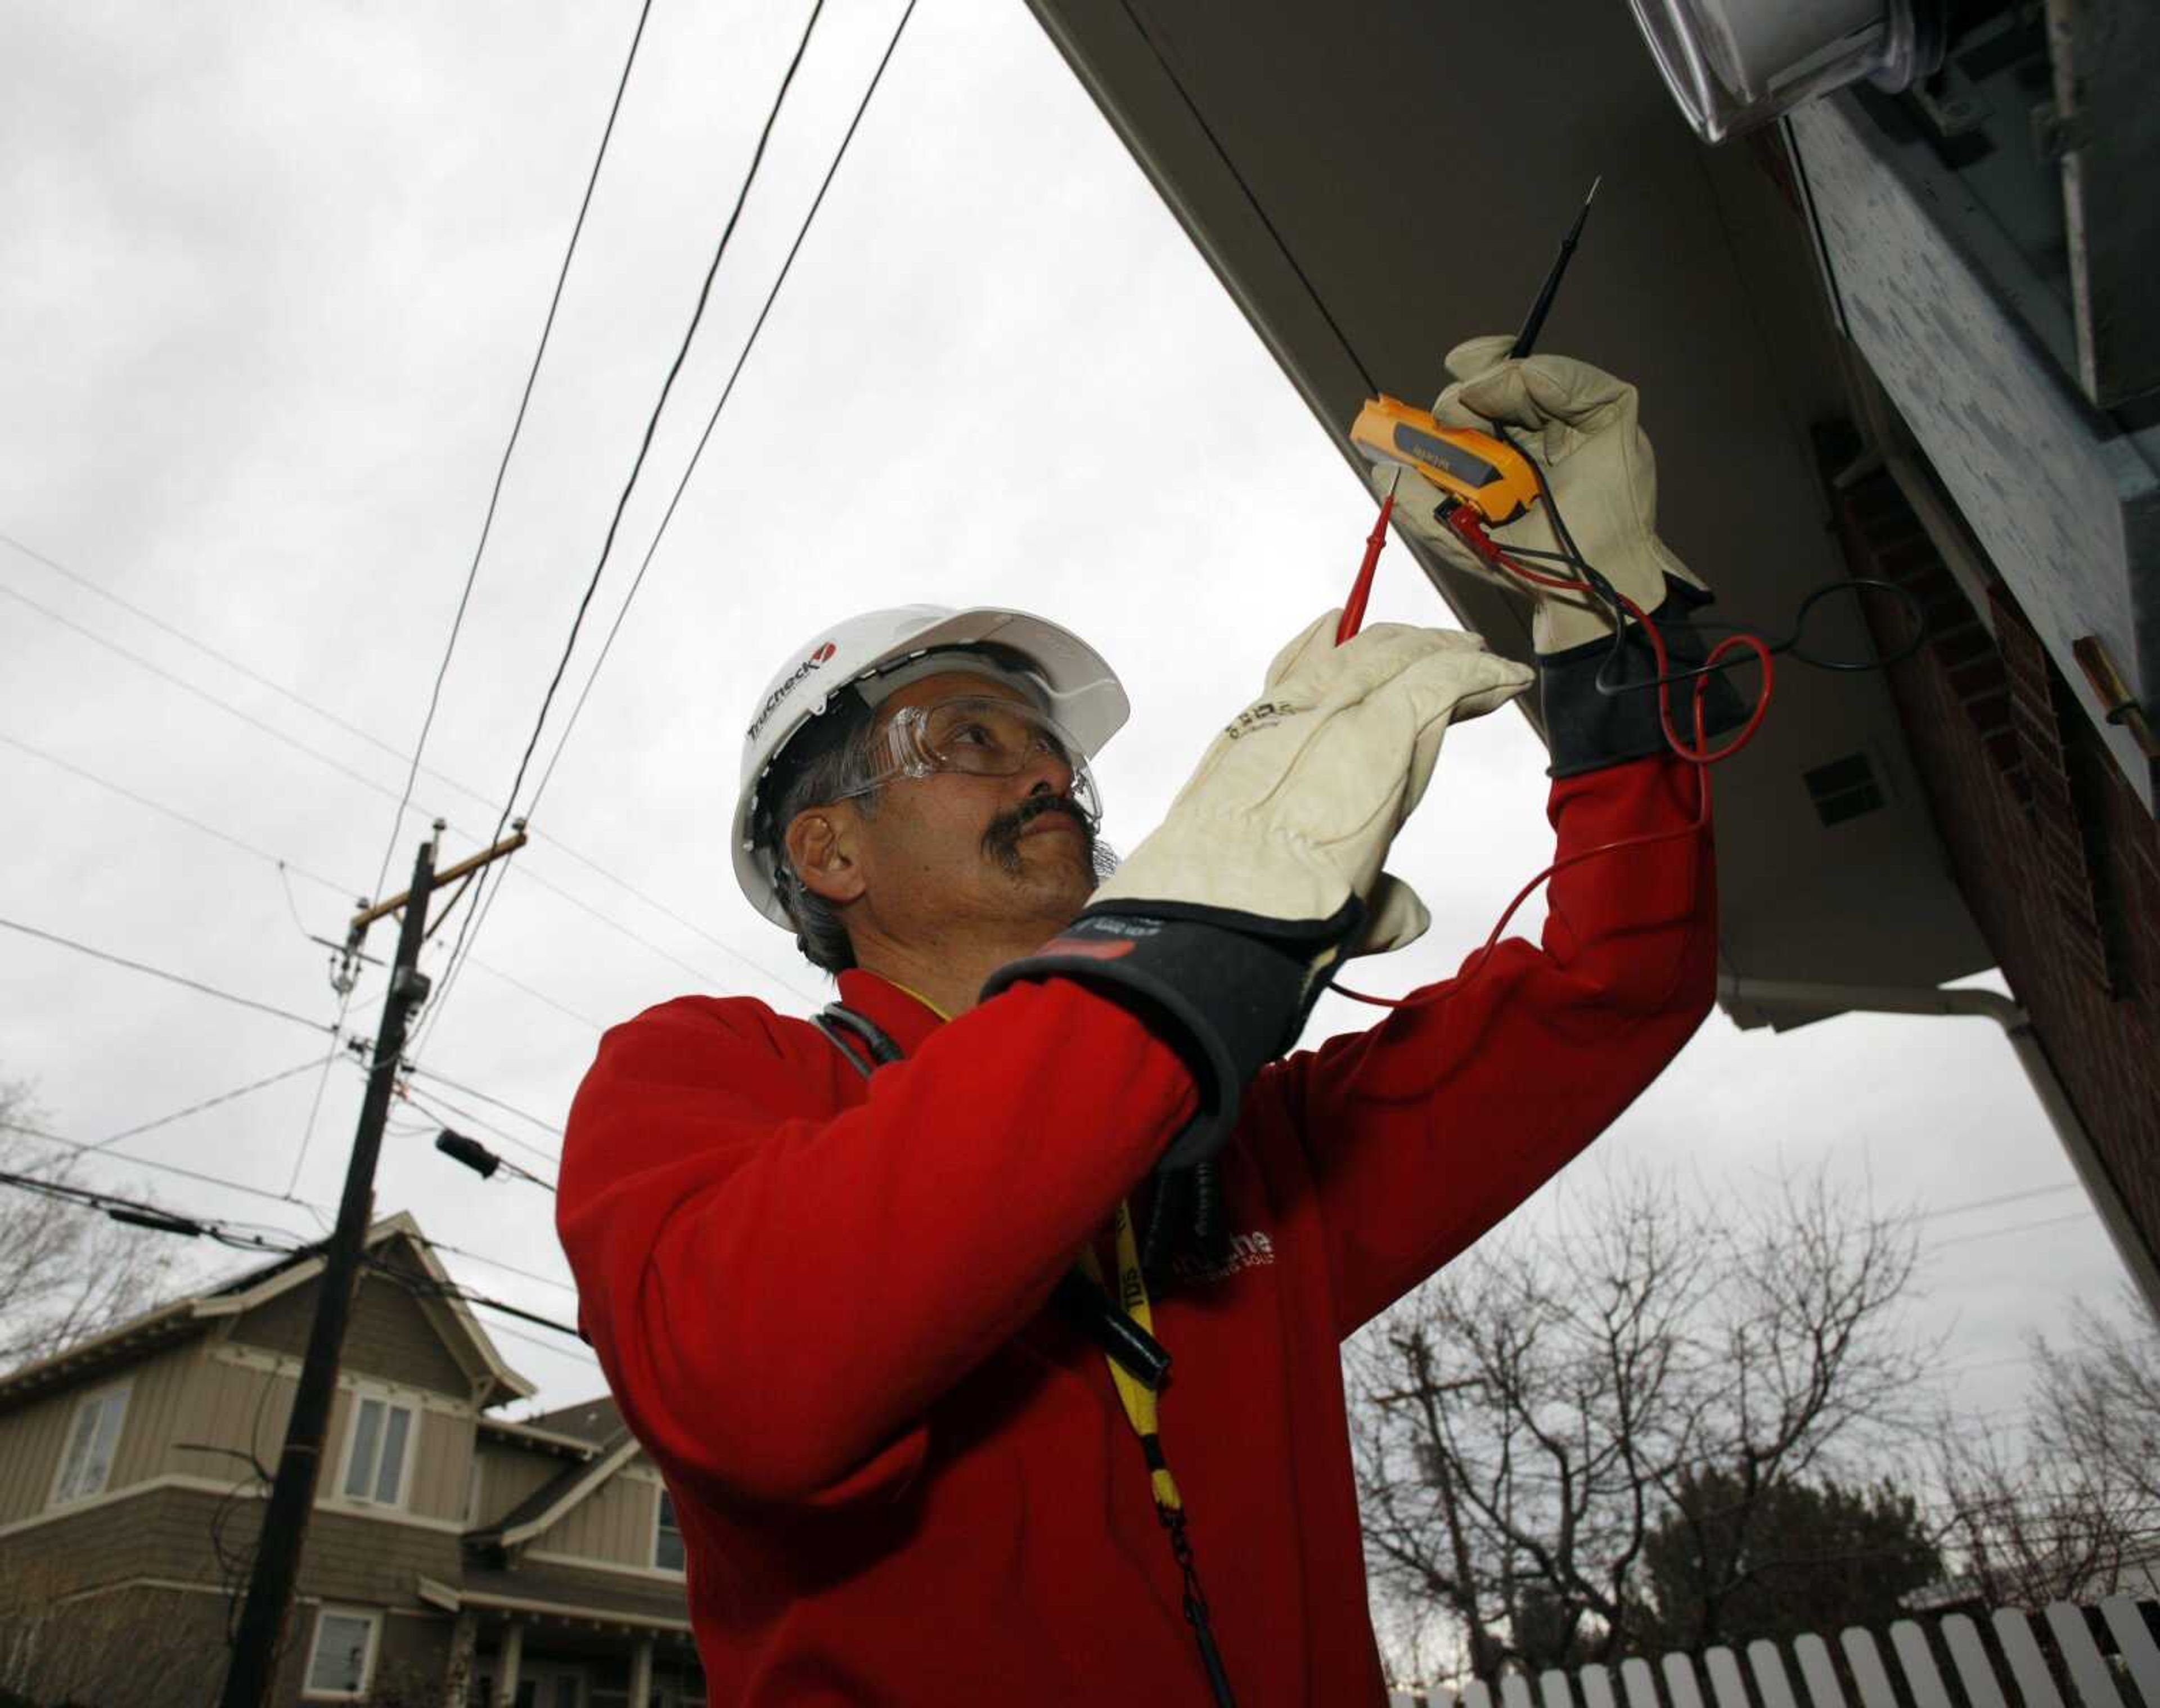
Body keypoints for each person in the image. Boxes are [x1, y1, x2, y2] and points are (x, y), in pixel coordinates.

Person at [557, 341, 1741, 1706]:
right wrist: (1194, 950)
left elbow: (1616, 994)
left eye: (1052, 751)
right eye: (970, 742)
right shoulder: (711, 1069)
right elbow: (753, 1388)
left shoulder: (1234, 1148)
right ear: (829, 853)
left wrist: (1611, 635)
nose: (1052, 774)